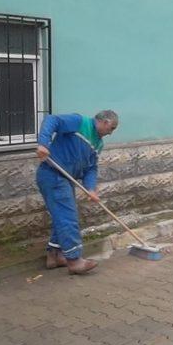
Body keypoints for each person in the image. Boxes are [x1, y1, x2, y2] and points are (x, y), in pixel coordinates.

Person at [36, 110, 119, 274]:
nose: (111, 133)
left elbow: (91, 168)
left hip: (66, 179)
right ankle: (74, 261)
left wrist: (91, 188)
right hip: (52, 174)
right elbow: (52, 120)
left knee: (63, 215)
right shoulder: (79, 122)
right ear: (105, 122)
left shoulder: (98, 143)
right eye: (112, 128)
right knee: (68, 216)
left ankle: (55, 255)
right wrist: (43, 143)